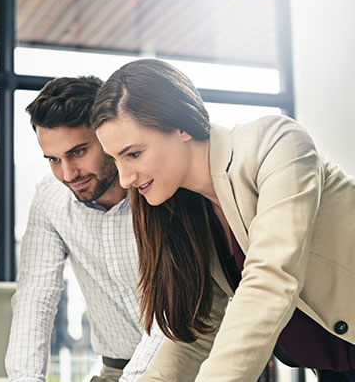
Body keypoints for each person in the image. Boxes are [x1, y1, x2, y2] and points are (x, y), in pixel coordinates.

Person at [90, 58, 355, 381]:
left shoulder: (275, 144)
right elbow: (194, 336)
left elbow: (271, 279)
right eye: (116, 160)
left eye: (134, 154)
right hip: (335, 369)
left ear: (181, 126)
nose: (125, 178)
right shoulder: (187, 210)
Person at [7, 76, 165, 382]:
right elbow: (35, 298)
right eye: (54, 159)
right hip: (116, 369)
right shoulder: (51, 199)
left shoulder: (159, 190)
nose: (68, 174)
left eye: (78, 152)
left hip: (195, 366)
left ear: (108, 135)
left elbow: (172, 322)